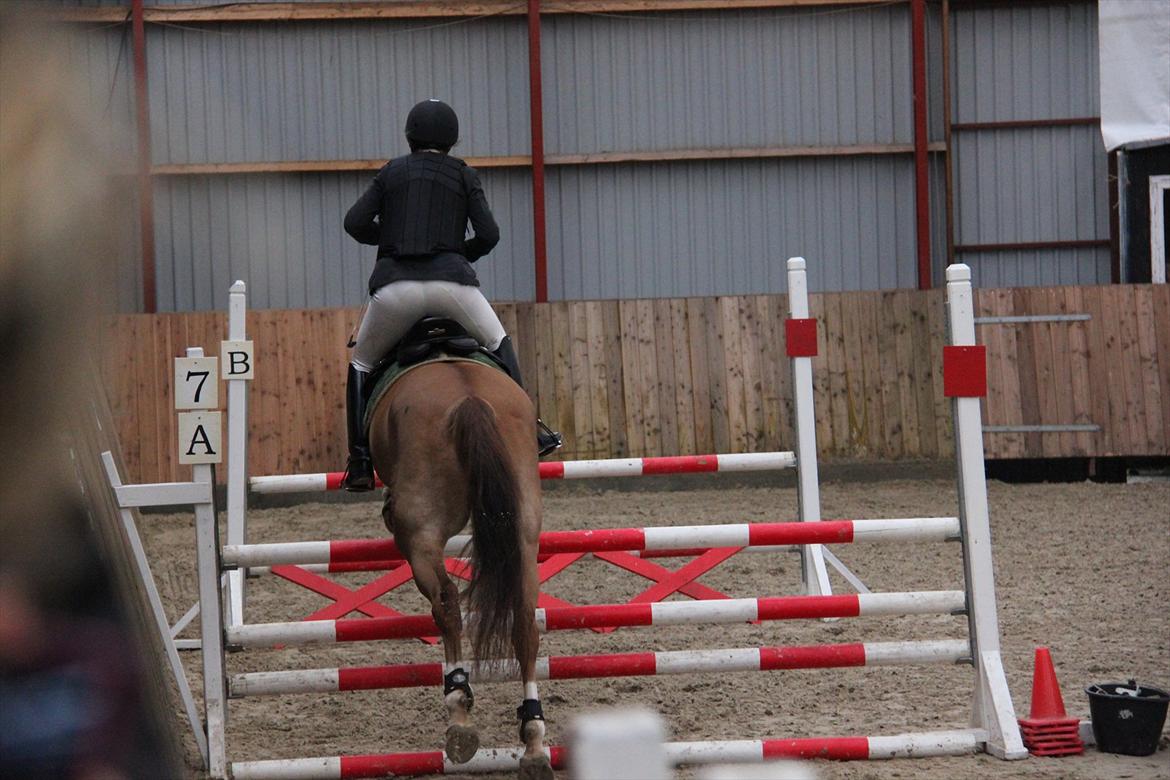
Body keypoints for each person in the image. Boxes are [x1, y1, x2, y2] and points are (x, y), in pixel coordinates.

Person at [341, 98, 561, 492]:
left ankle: (358, 460)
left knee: (360, 365)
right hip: (452, 286)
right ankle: (533, 431)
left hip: (396, 290)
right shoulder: (462, 174)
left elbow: (354, 223)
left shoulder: (391, 172)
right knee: (498, 342)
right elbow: (490, 234)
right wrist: (459, 253)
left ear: (409, 136)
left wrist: (390, 239)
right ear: (453, 139)